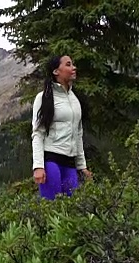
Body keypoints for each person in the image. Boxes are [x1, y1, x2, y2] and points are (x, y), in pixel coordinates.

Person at [31, 55, 92, 200]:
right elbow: (38, 133)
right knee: (51, 208)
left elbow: (78, 134)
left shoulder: (75, 99)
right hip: (51, 161)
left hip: (70, 163)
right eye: (68, 65)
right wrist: (38, 166)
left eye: (73, 64)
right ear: (56, 71)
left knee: (72, 208)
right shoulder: (43, 97)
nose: (74, 68)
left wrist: (82, 166)